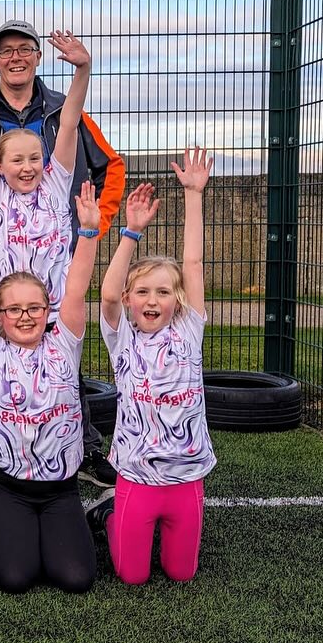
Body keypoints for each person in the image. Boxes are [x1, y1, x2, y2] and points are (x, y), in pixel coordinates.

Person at [0, 20, 126, 488]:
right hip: (3, 311)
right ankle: (1, 466)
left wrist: (83, 71)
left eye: (35, 158)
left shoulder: (56, 185)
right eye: (17, 160)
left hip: (51, 311)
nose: (28, 166)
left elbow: (71, 120)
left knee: (57, 388)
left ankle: (67, 464)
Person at [0, 183, 102, 594]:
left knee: (76, 578)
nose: (24, 317)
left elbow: (76, 289)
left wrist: (88, 234)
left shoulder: (63, 343)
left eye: (34, 308)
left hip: (59, 488)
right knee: (14, 578)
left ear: (46, 310)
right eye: (14, 309)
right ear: (0, 317)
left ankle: (98, 517)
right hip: (8, 486)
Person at [88, 149, 217, 585]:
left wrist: (194, 195)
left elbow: (193, 264)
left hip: (185, 474)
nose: (151, 300)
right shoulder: (121, 335)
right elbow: (106, 295)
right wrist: (131, 232)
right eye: (141, 291)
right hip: (137, 475)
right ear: (129, 300)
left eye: (162, 292)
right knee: (131, 576)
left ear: (176, 300)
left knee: (181, 574)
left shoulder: (188, 330)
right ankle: (109, 513)